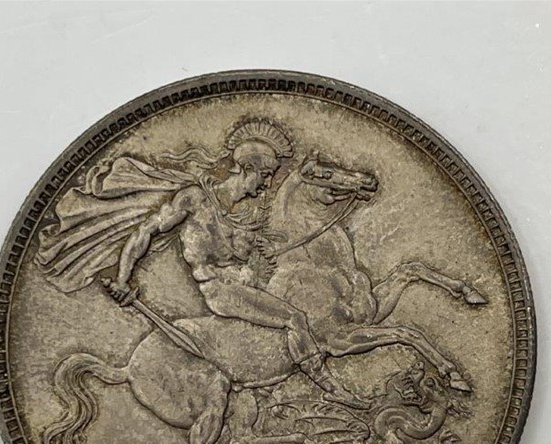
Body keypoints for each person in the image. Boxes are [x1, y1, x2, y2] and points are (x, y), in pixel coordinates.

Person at [107, 119, 367, 409]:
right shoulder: (194, 199)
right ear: (247, 169)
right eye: (265, 175)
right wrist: (122, 278)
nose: (267, 183)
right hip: (220, 290)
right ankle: (331, 388)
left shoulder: (251, 213)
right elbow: (146, 232)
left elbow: (265, 251)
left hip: (249, 284)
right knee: (294, 318)